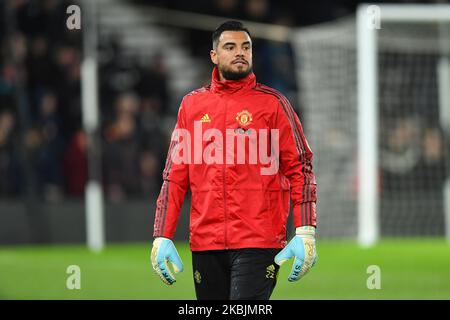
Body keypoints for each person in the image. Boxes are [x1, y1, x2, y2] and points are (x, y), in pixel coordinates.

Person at [151, 21, 317, 300]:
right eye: (230, 47)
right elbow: (175, 177)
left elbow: (301, 168)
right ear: (214, 55)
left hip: (258, 241)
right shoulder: (191, 107)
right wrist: (162, 234)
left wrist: (306, 230)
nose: (240, 52)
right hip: (206, 242)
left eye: (246, 47)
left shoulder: (274, 104)